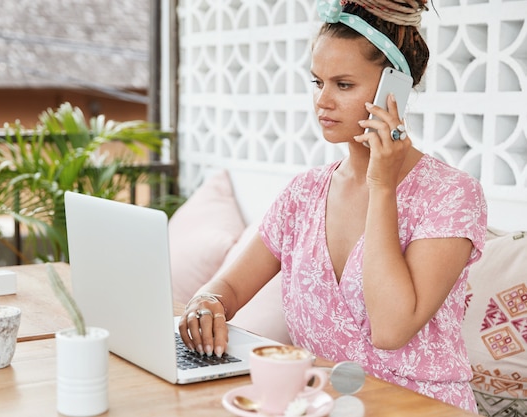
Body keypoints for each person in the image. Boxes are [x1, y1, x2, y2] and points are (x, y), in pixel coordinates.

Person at [178, 0, 487, 412]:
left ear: (392, 89)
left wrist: (381, 184)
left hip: (420, 407)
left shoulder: (451, 195)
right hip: (321, 406)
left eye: (343, 85)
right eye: (316, 82)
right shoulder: (302, 193)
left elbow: (391, 329)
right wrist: (205, 304)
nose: (322, 101)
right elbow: (229, 288)